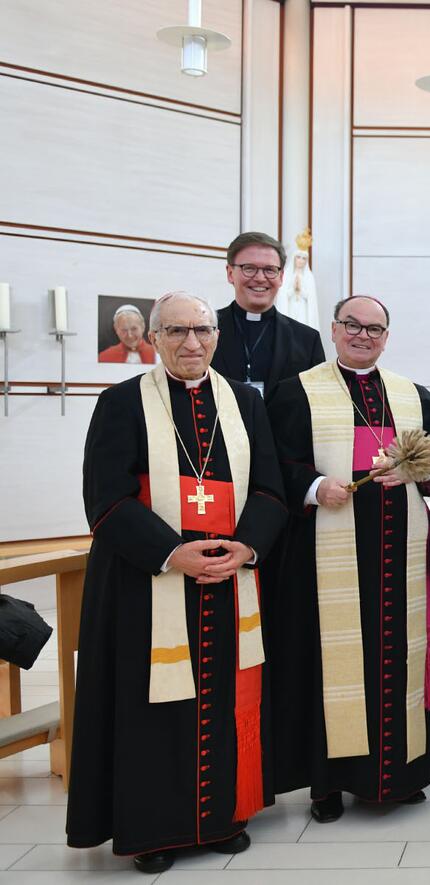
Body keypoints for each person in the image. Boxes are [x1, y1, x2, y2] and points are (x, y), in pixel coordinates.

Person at [66, 292, 287, 873]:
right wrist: (171, 552)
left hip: (229, 576)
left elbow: (270, 488)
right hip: (150, 584)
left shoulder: (242, 402)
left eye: (203, 331)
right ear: (155, 338)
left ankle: (222, 818)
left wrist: (248, 544)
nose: (193, 343)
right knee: (156, 708)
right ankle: (155, 829)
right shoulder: (121, 403)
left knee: (226, 700)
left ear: (218, 336)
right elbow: (105, 500)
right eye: (178, 331)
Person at [266, 295, 430, 823]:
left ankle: (403, 774)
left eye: (374, 328)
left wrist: (418, 474)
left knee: (399, 658)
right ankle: (328, 784)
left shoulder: (413, 396)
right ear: (334, 329)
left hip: (400, 558)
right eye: (353, 325)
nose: (363, 335)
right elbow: (274, 463)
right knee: (331, 665)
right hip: (327, 558)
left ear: (387, 336)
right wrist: (315, 485)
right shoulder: (296, 392)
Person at [211, 231, 326, 399]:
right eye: (249, 268)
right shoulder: (203, 331)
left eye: (270, 270)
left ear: (281, 277)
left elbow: (316, 405)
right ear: (230, 273)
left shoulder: (308, 340)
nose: (260, 278)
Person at [274, 228, 319, 329]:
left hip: (303, 311)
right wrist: (293, 289)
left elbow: (311, 298)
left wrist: (300, 290)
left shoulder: (309, 277)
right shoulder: (287, 275)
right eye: (298, 257)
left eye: (304, 258)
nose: (301, 261)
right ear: (294, 258)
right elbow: (283, 295)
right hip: (290, 310)